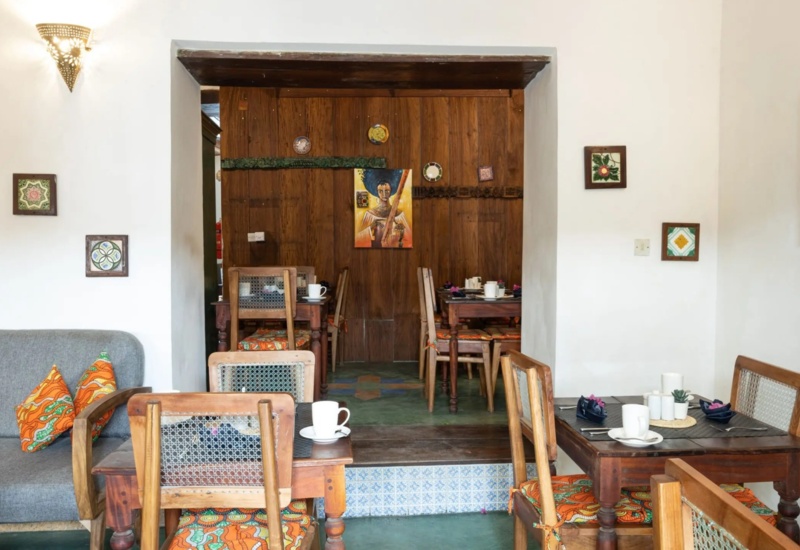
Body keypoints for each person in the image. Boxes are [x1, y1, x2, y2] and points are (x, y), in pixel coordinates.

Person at [355, 170, 412, 248]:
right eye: (381, 191)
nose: (384, 194)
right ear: (377, 192)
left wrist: (400, 230)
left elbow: (409, 238)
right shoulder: (370, 215)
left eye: (387, 191)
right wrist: (371, 227)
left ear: (391, 191)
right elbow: (358, 239)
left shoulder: (399, 214)